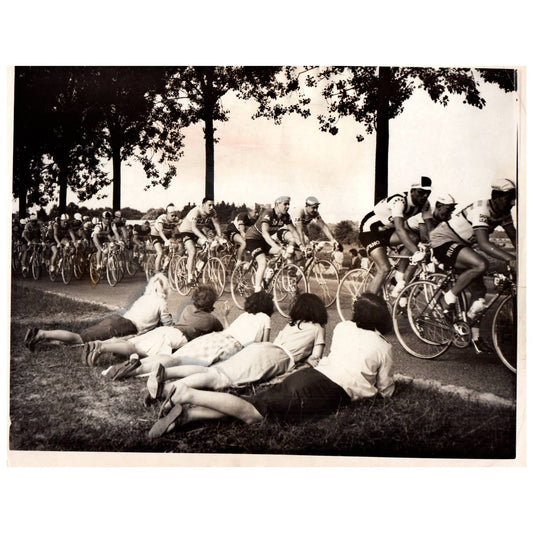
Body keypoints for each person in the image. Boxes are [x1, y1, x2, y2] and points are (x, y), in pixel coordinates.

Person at [148, 293, 394, 439]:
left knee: (255, 407)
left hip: (309, 377)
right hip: (326, 390)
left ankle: (189, 415)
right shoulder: (383, 347)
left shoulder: (344, 328)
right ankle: (189, 394)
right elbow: (386, 390)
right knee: (254, 414)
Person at [146, 293, 328, 404]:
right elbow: (315, 358)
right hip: (278, 358)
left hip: (262, 348)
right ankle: (168, 389)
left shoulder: (291, 325)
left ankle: (166, 374)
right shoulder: (318, 328)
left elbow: (273, 342)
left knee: (216, 370)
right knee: (221, 379)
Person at [99, 291, 274, 386]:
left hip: (215, 338)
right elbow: (263, 346)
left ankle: (121, 367)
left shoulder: (245, 316)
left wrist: (226, 317)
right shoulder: (265, 318)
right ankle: (135, 371)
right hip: (229, 345)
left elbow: (229, 331)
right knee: (183, 363)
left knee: (175, 357)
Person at [429, 177, 517, 353]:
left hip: (461, 245)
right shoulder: (481, 210)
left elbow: (515, 238)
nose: (512, 203)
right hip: (443, 240)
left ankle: (474, 337)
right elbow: (484, 244)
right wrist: (510, 259)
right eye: (509, 199)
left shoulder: (503, 212)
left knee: (479, 295)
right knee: (480, 264)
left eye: (513, 199)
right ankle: (448, 299)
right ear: (496, 196)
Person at [96, 284, 224, 377]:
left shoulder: (189, 308)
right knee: (144, 352)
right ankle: (117, 364)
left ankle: (101, 346)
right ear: (211, 305)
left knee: (134, 343)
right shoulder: (211, 320)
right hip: (176, 338)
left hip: (166, 330)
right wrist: (224, 316)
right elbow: (224, 333)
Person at [23, 273, 173, 352]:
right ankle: (42, 334)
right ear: (164, 289)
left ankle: (43, 341)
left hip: (117, 320)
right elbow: (168, 325)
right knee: (79, 339)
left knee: (80, 340)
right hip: (125, 327)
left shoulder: (144, 298)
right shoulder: (162, 303)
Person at [358, 176, 433, 294]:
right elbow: (399, 229)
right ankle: (365, 304)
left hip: (386, 232)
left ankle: (399, 276)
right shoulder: (399, 201)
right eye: (421, 192)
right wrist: (416, 252)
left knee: (414, 237)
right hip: (370, 231)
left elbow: (431, 230)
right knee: (384, 269)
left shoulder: (425, 204)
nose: (424, 196)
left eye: (428, 193)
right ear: (412, 191)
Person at [389, 193, 458, 299]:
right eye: (448, 209)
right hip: (406, 237)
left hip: (419, 239)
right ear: (439, 206)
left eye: (452, 209)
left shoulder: (445, 217)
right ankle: (401, 291)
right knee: (414, 262)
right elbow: (425, 236)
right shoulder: (427, 212)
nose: (450, 212)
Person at [244, 196, 303, 292]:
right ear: (277, 204)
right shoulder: (268, 213)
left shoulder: (285, 216)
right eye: (285, 204)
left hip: (263, 240)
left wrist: (301, 245)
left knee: (284, 253)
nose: (287, 206)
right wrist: (278, 247)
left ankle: (268, 274)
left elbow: (293, 231)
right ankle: (257, 291)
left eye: (288, 204)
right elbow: (265, 233)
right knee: (262, 262)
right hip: (253, 239)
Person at [179, 198, 223, 285]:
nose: (211, 207)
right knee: (192, 251)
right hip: (186, 231)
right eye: (209, 205)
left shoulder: (213, 212)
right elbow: (194, 228)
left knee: (209, 247)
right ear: (203, 205)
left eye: (213, 205)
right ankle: (189, 276)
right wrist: (205, 238)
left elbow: (216, 224)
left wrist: (220, 237)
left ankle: (199, 266)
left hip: (196, 233)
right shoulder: (196, 211)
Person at [150, 204, 182, 272]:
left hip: (167, 234)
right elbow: (161, 232)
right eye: (172, 215)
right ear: (167, 214)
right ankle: (157, 272)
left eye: (175, 215)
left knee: (175, 247)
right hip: (156, 235)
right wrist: (166, 241)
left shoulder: (176, 220)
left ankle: (165, 265)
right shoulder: (161, 219)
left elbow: (180, 229)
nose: (174, 217)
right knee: (160, 252)